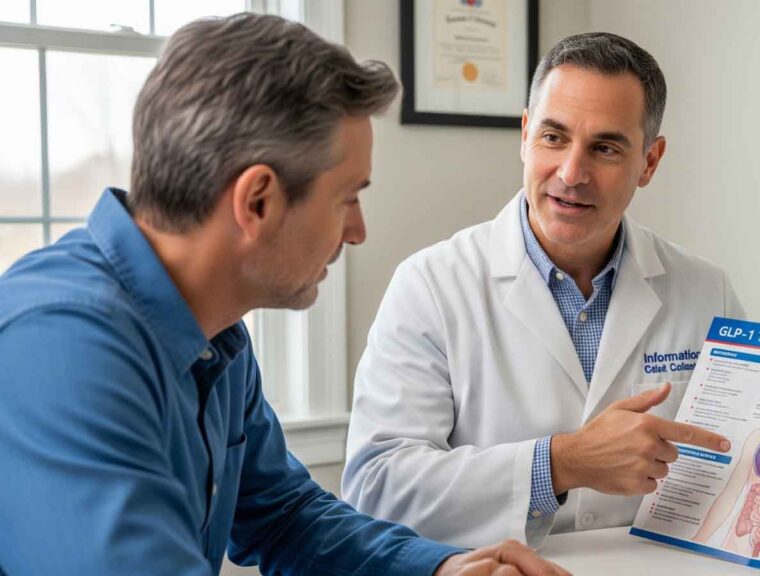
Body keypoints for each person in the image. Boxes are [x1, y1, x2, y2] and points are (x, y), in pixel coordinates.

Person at [0, 14, 567, 576]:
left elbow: (284, 518)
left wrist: (443, 570)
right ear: (259, 202)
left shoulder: (216, 330)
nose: (357, 232)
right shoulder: (60, 346)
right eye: (347, 199)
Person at [342, 32, 760, 555]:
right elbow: (375, 488)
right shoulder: (431, 285)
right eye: (553, 137)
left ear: (650, 161)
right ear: (525, 136)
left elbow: (748, 466)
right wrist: (560, 463)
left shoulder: (705, 290)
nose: (572, 173)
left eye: (606, 147)